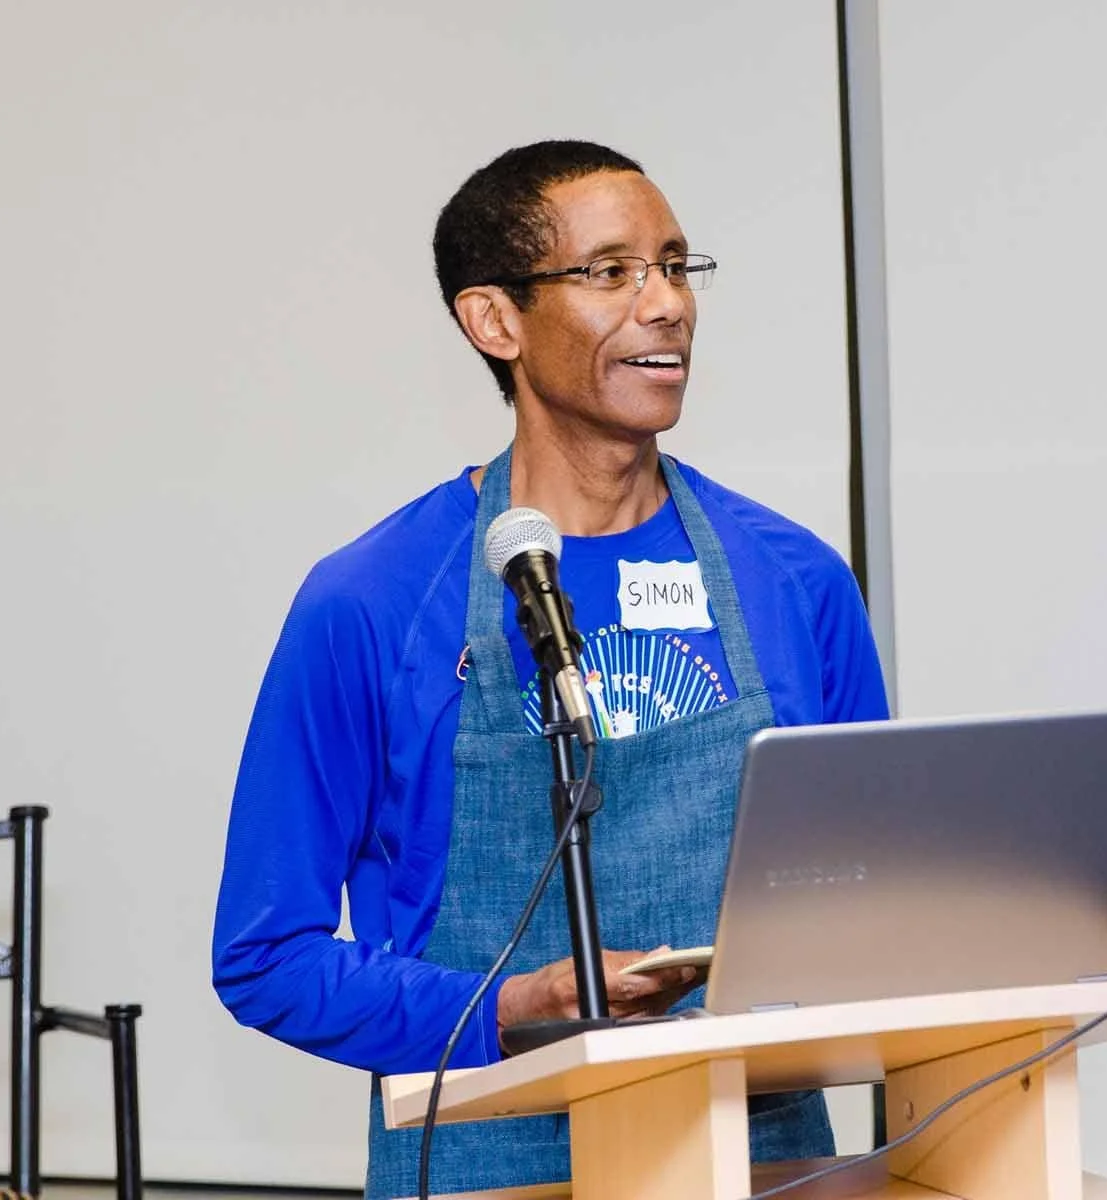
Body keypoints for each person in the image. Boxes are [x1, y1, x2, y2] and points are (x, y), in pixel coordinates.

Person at [212, 140, 889, 1198]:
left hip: (765, 1156)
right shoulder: (372, 601)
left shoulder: (794, 580)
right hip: (484, 1156)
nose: (666, 304)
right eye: (612, 272)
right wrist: (510, 1008)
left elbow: (875, 892)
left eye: (675, 264)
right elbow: (266, 958)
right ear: (495, 320)